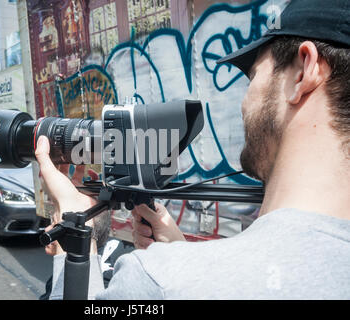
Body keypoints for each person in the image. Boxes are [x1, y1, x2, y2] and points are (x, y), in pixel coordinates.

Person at [36, 0, 350, 299]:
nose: (243, 99)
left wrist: (76, 239)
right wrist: (183, 256)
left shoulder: (160, 282)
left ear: (302, 72)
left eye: (253, 75)